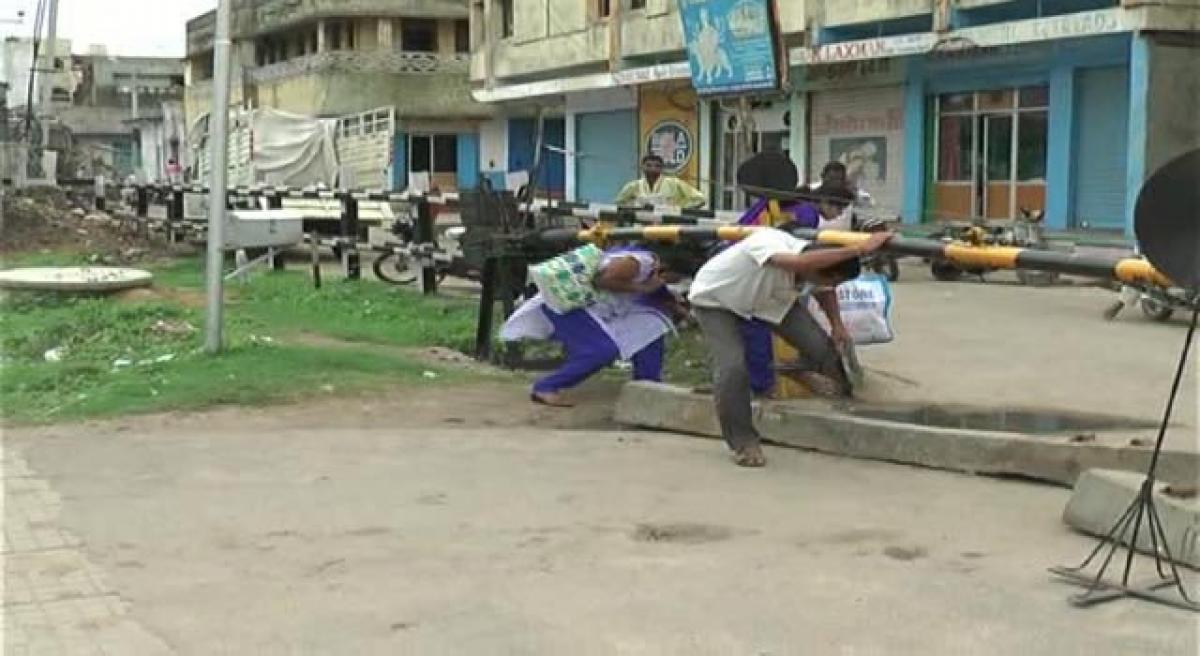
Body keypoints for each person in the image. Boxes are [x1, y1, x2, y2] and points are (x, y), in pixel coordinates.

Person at [689, 225, 892, 467]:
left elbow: (825, 289)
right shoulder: (769, 241)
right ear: (817, 269)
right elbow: (798, 264)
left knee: (822, 349)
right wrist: (859, 249)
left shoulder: (819, 269)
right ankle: (743, 442)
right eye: (831, 279)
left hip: (768, 301)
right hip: (716, 301)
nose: (830, 285)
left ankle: (823, 383)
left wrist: (837, 325)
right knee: (732, 369)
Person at [501, 247, 688, 407]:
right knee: (601, 351)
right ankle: (546, 387)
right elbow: (602, 280)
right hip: (569, 303)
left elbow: (662, 301)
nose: (670, 283)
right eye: (673, 279)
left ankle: (648, 383)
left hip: (593, 309)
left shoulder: (651, 273)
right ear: (665, 269)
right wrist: (644, 289)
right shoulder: (640, 262)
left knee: (652, 325)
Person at [734, 186, 862, 397]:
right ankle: (765, 388)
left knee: (778, 336)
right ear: (826, 202)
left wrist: (836, 323)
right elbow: (803, 258)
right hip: (758, 276)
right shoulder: (808, 214)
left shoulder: (789, 207)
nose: (839, 215)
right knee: (758, 339)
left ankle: (775, 380)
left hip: (766, 270)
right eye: (839, 209)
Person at [615, 154, 706, 210]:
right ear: (642, 167)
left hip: (668, 228)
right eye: (649, 165)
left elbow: (700, 199)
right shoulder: (633, 186)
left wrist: (680, 210)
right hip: (641, 229)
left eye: (657, 166)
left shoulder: (674, 183)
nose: (653, 169)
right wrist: (633, 206)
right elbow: (619, 203)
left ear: (662, 168)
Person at [809, 161, 874, 230]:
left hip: (844, 238)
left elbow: (870, 204)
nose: (835, 182)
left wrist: (854, 190)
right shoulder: (811, 190)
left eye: (839, 179)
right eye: (831, 178)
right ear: (822, 176)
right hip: (814, 237)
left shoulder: (848, 192)